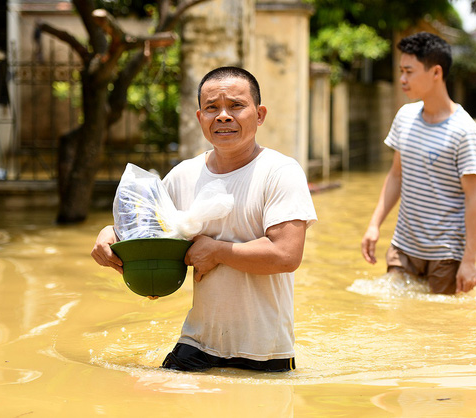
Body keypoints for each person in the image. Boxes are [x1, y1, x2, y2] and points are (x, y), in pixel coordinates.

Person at [91, 66, 317, 372]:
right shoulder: (183, 175)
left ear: (260, 114)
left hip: (264, 351)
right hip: (196, 343)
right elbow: (145, 231)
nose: (223, 116)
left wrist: (217, 251)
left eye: (236, 106)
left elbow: (286, 255)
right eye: (212, 108)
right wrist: (109, 235)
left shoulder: (279, 172)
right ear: (200, 118)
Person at [361, 32, 476, 295]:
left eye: (409, 71)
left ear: (436, 72)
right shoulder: (404, 117)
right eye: (401, 71)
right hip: (403, 247)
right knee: (396, 321)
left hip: (446, 256)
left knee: (440, 327)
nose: (402, 79)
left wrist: (469, 262)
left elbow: (474, 197)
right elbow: (396, 176)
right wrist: (374, 225)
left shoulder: (464, 131)